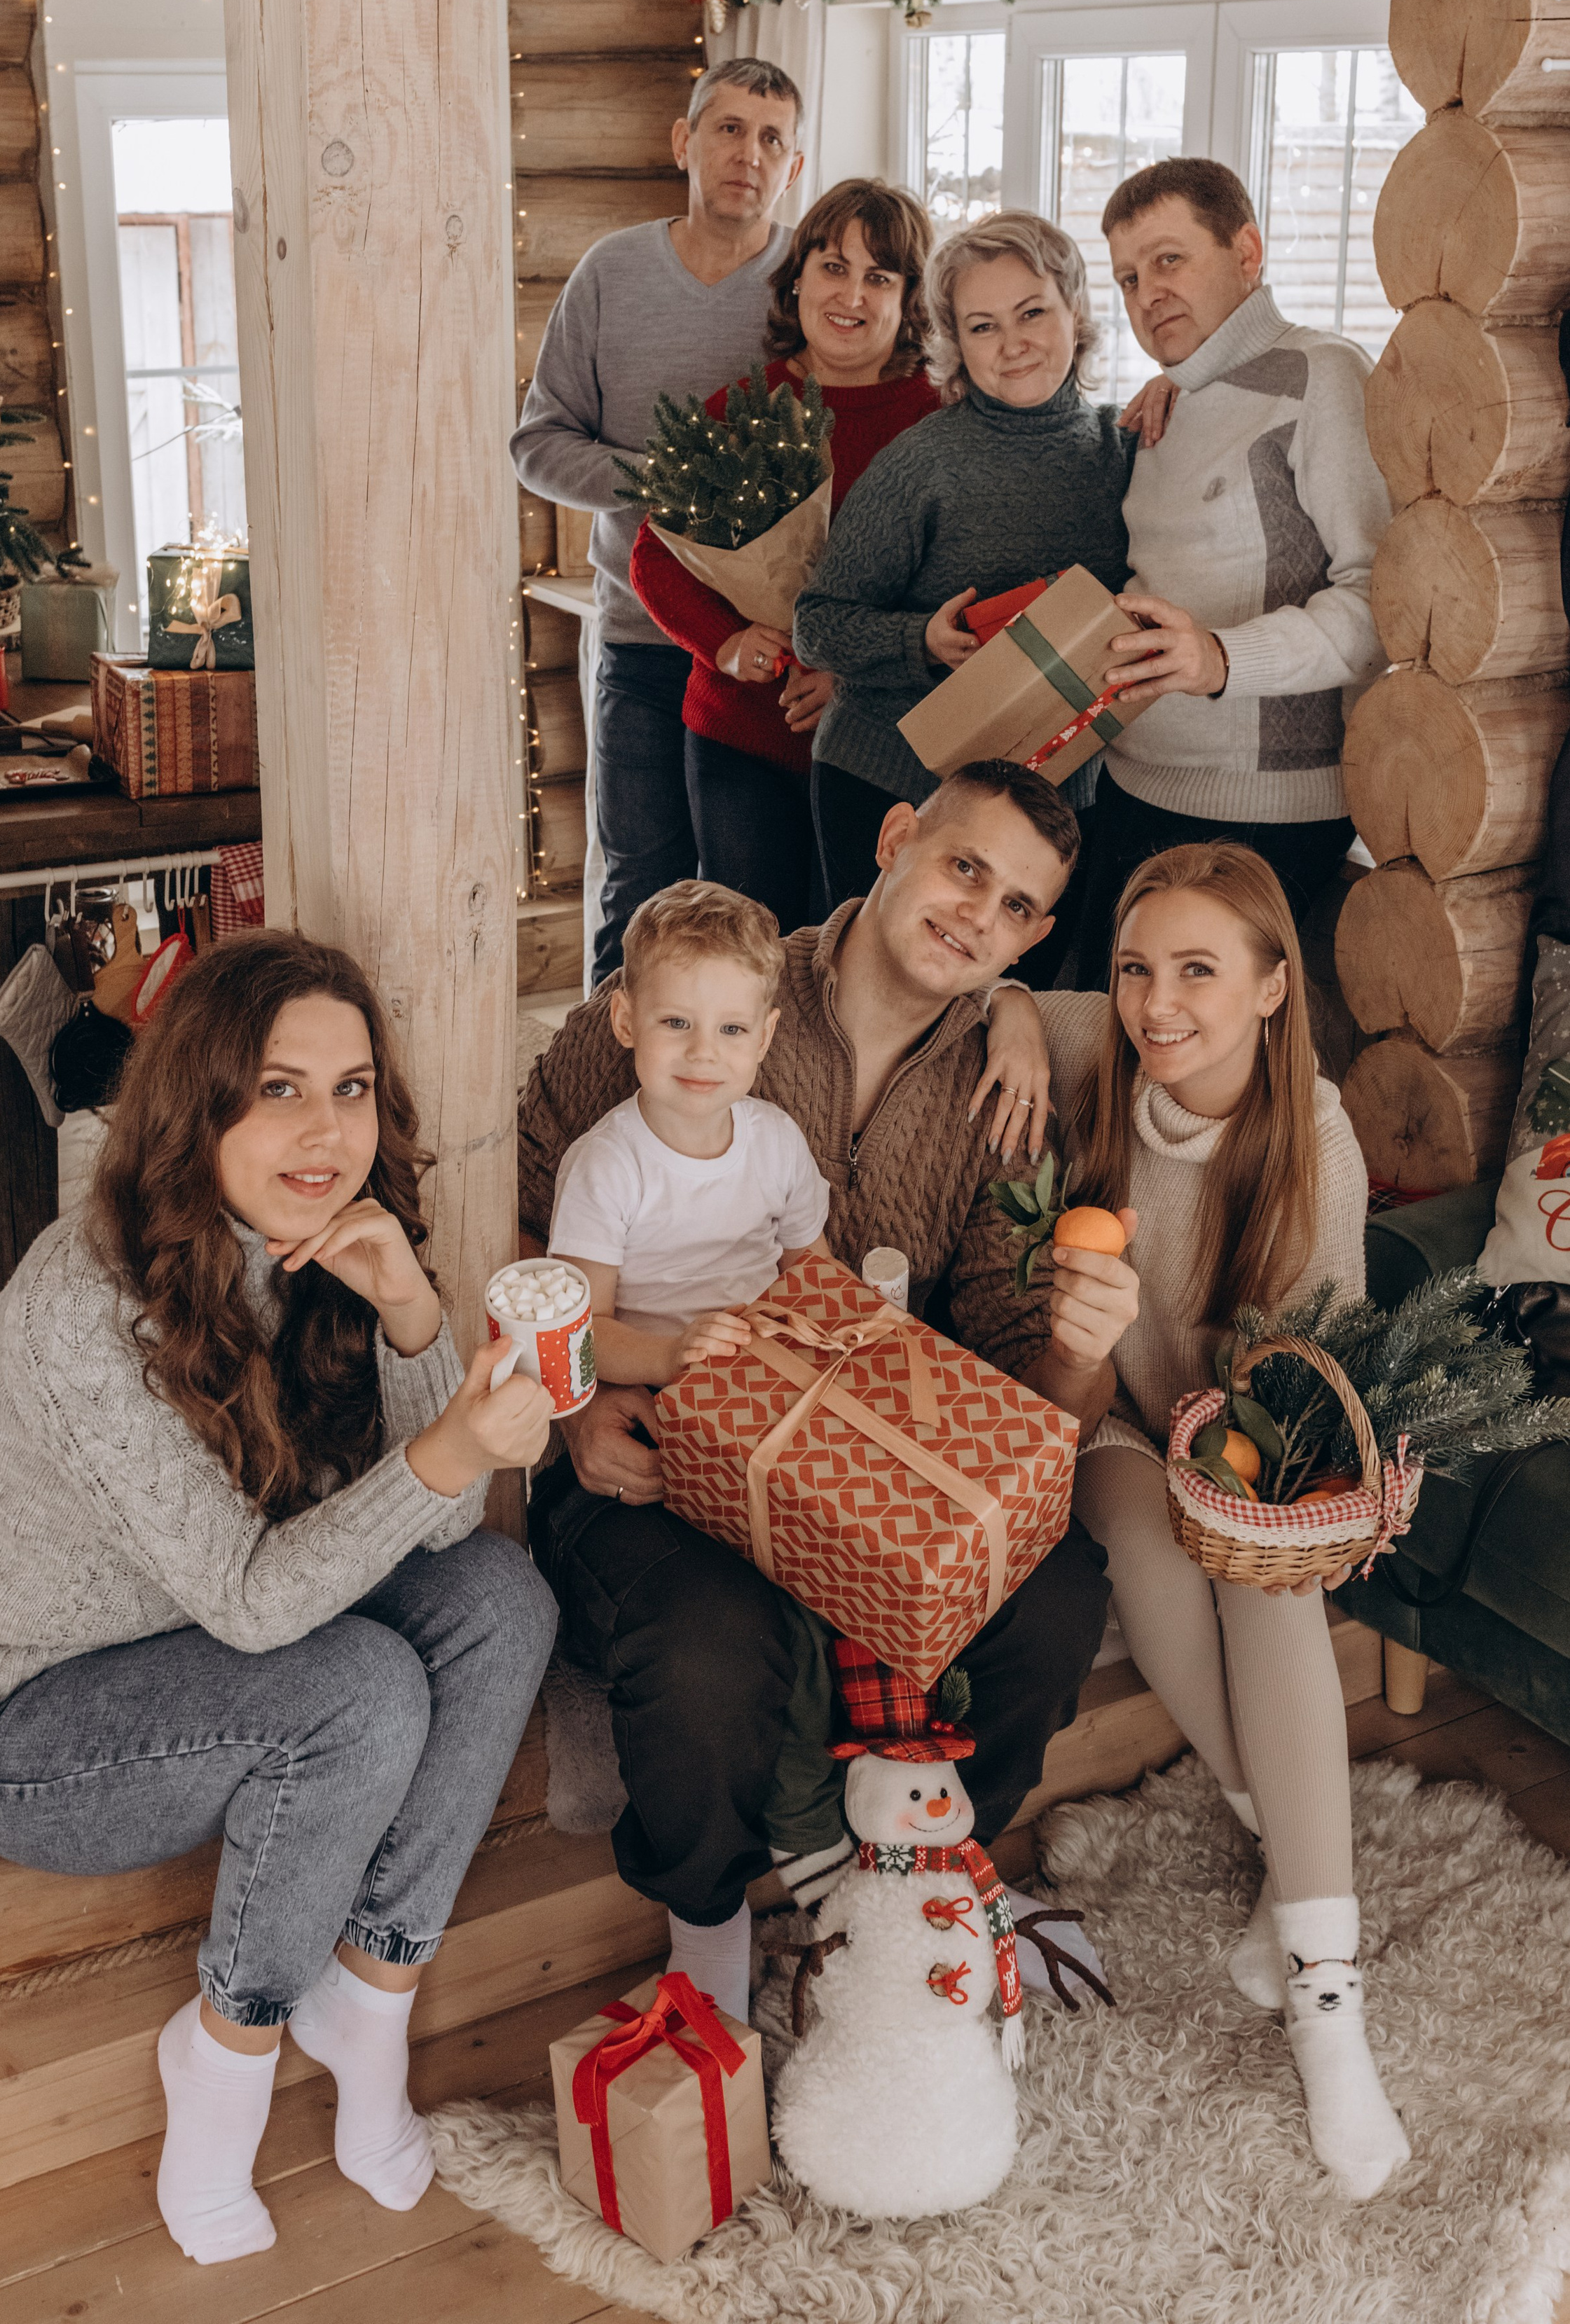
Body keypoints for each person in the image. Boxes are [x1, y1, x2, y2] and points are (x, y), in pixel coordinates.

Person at [0, 935, 558, 2267]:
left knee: (502, 1598)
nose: (326, 1132)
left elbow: (435, 1527)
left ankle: (369, 2000)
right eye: (278, 1090)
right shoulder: (77, 1308)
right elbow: (261, 1609)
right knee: (356, 1694)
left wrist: (411, 1318)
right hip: (25, 1726)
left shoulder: (315, 1244)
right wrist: (451, 1443)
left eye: (352, 1088)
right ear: (197, 1101)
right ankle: (226, 2054)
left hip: (222, 1648)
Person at [516, 759, 1140, 2025]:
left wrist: (1084, 1344)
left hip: (861, 1451)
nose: (980, 915)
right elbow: (526, 1206)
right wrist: (578, 1407)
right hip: (649, 1432)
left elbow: (1037, 1379)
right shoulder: (712, 988)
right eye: (966, 866)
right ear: (897, 835)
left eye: (1019, 910)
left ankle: (927, 1861)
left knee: (1059, 1582)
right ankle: (709, 1923)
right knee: (708, 1643)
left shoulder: (1006, 1098)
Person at [1023, 843, 1410, 2197]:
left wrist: (1250, 1471)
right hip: (1122, 1421)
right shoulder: (1090, 1052)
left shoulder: (1318, 1140)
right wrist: (1024, 1013)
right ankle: (1287, 1843)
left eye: (1197, 970)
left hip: (1252, 1436)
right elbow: (1000, 997)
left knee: (1258, 1579)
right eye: (1136, 969)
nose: (1156, 1004)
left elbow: (1318, 1377)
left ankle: (1326, 1999)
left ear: (1269, 986)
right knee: (1141, 1537)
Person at [792, 210, 1158, 976]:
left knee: (1012, 1021)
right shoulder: (923, 463)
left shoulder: (1124, 450)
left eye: (1032, 313)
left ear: (1076, 312)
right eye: (983, 326)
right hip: (892, 788)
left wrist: (1180, 389)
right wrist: (920, 641)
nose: (1013, 342)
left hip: (1050, 803)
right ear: (955, 345)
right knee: (878, 1006)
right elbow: (817, 627)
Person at [511, 57, 805, 981]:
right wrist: (674, 483)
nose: (747, 155)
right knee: (639, 892)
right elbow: (537, 442)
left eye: (771, 139)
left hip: (768, 654)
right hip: (640, 647)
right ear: (684, 141)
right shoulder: (612, 273)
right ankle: (605, 1105)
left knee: (755, 905)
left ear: (793, 166)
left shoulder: (812, 285)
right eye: (727, 129)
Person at [1077, 157, 1391, 983]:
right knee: (1088, 1039)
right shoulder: (1164, 403)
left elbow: (1377, 603)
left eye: (1169, 259)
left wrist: (1220, 659)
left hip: (1263, 816)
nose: (1147, 292)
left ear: (1246, 252)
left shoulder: (1322, 374)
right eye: (1128, 278)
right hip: (1131, 784)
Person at [629, 179, 939, 931]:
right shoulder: (745, 408)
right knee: (747, 953)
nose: (852, 295)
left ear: (909, 299)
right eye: (833, 267)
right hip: (742, 738)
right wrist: (727, 643)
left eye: (879, 276)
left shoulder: (938, 423)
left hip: (882, 750)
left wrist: (852, 673)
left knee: (854, 952)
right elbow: (655, 557)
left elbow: (949, 589)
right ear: (797, 277)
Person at [549, 880, 831, 1394]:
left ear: (764, 1036)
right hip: (663, 1390)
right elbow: (580, 1333)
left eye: (732, 1030)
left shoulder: (779, 1142)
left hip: (777, 1373)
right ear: (626, 1020)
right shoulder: (606, 1165)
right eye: (677, 1022)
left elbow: (814, 1273)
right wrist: (670, 1357)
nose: (704, 1052)